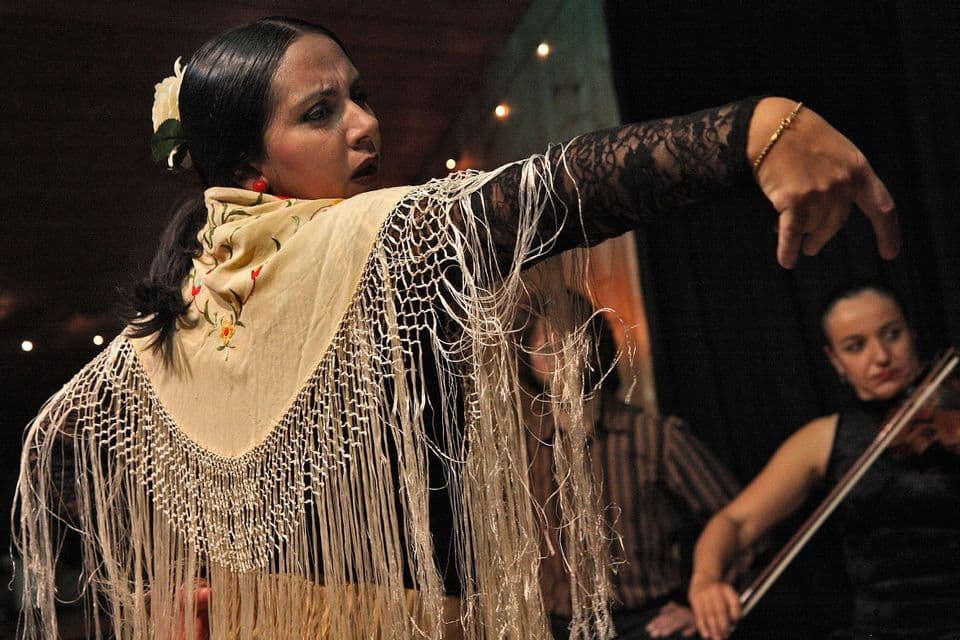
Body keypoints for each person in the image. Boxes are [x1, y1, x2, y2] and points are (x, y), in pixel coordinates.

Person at [14, 15, 899, 640]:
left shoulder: (169, 327)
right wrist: (750, 133)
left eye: (357, 96)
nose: (367, 125)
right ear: (248, 158)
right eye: (320, 112)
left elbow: (52, 446)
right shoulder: (365, 240)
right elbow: (552, 192)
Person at [688, 283, 960, 639]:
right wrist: (705, 579)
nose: (880, 356)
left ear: (912, 332)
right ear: (835, 360)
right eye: (855, 346)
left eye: (892, 335)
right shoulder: (824, 438)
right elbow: (735, 521)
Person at [522, 311, 754, 640]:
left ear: (593, 346)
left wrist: (704, 603)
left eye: (568, 343)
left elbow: (740, 521)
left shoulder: (653, 435)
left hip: (647, 622)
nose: (558, 358)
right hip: (554, 625)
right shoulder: (522, 450)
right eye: (545, 350)